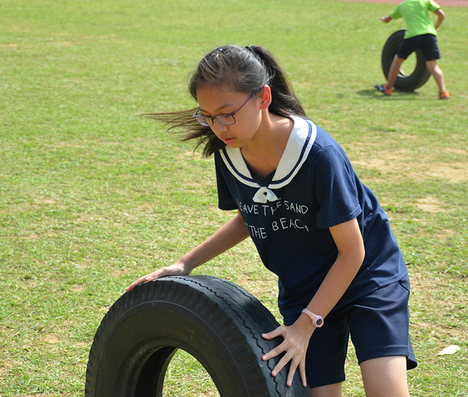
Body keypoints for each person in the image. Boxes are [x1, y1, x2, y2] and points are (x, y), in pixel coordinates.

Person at [127, 45, 416, 397]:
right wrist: (184, 264)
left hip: (367, 277)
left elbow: (352, 252)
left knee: (386, 391)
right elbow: (250, 216)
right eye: (207, 116)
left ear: (263, 97)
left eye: (227, 113)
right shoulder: (229, 152)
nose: (218, 127)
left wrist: (306, 326)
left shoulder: (318, 154)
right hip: (305, 284)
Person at [375, 0, 449, 99]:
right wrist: (436, 27)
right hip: (429, 35)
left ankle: (388, 88)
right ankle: (443, 92)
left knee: (397, 60)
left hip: (413, 36)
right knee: (433, 66)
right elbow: (442, 15)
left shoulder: (402, 6)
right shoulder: (425, 1)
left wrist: (384, 19)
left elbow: (388, 19)